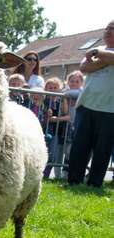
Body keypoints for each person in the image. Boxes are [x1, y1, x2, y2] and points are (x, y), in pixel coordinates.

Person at [68, 20, 114, 188]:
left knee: (102, 150)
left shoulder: (96, 51)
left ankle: (94, 184)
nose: (108, 31)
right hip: (85, 106)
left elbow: (91, 63)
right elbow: (83, 67)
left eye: (113, 29)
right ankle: (74, 181)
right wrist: (107, 58)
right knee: (79, 146)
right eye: (107, 28)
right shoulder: (100, 49)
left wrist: (95, 54)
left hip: (110, 110)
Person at [42, 77, 67, 179]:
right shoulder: (44, 101)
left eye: (55, 87)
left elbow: (65, 111)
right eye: (50, 88)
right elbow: (49, 119)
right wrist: (64, 118)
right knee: (45, 152)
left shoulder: (59, 101)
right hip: (46, 130)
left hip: (56, 132)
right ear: (46, 89)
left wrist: (64, 99)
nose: (52, 90)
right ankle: (41, 174)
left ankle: (46, 175)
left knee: (53, 154)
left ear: (59, 89)